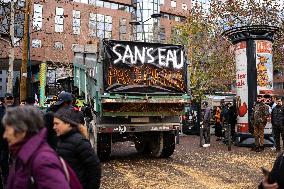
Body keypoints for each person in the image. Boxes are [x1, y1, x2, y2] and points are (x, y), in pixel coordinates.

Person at [2, 106, 71, 189]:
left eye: (8, 130)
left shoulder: (43, 160)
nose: (5, 135)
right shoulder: (24, 156)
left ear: (22, 130)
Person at [53, 108, 101, 189]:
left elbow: (94, 168)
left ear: (68, 123)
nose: (54, 127)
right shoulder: (61, 140)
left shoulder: (80, 142)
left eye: (57, 124)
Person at [0, 93, 15, 188]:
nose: (9, 100)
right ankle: (6, 179)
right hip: (2, 141)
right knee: (3, 160)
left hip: (15, 141)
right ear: (4, 100)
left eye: (11, 98)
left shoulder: (17, 110)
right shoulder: (0, 110)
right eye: (8, 98)